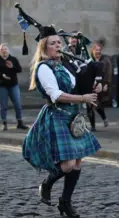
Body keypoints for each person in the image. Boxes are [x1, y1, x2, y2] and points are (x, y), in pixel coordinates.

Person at [22, 26, 101, 218]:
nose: (58, 46)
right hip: (57, 115)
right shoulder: (43, 68)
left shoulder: (64, 65)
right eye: (53, 43)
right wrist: (83, 98)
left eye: (59, 42)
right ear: (44, 48)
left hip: (74, 116)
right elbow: (56, 95)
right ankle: (46, 184)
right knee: (67, 165)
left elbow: (76, 85)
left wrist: (93, 86)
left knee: (77, 162)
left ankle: (65, 202)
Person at [0, 43, 29, 131]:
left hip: (13, 84)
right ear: (0, 51)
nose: (4, 51)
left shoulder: (13, 59)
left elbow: (19, 70)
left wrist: (12, 67)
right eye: (2, 50)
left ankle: (20, 122)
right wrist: (2, 75)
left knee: (17, 103)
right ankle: (4, 123)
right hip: (2, 85)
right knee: (3, 105)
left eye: (5, 49)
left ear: (8, 50)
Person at [87, 39, 112, 130]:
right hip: (90, 85)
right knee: (89, 105)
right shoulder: (89, 60)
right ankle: (92, 126)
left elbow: (108, 73)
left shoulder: (105, 60)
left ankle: (104, 118)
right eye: (96, 50)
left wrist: (106, 84)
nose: (98, 51)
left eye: (99, 50)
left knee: (98, 106)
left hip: (101, 85)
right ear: (92, 50)